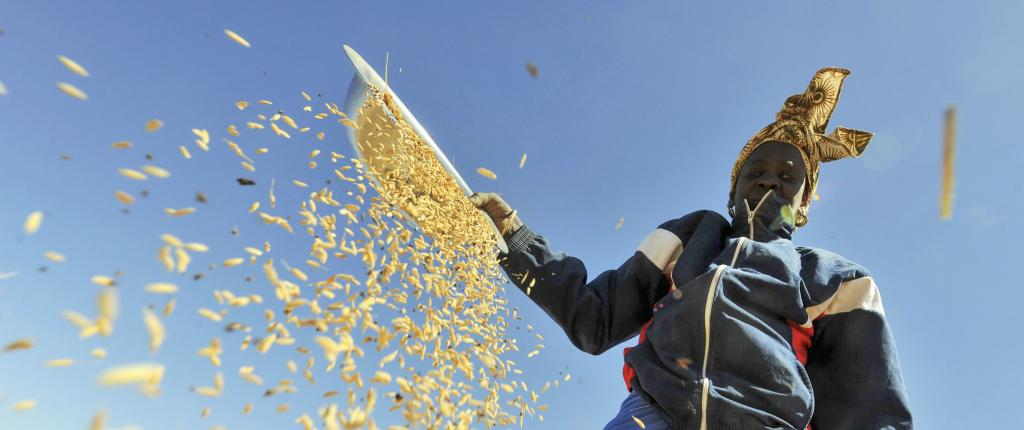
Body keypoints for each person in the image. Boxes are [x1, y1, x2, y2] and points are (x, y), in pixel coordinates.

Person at [469, 68, 912, 430]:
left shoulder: (836, 279)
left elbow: (870, 406)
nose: (769, 180)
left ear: (804, 205)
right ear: (732, 188)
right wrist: (515, 235)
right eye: (755, 170)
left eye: (788, 175)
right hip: (652, 415)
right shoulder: (690, 237)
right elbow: (595, 318)